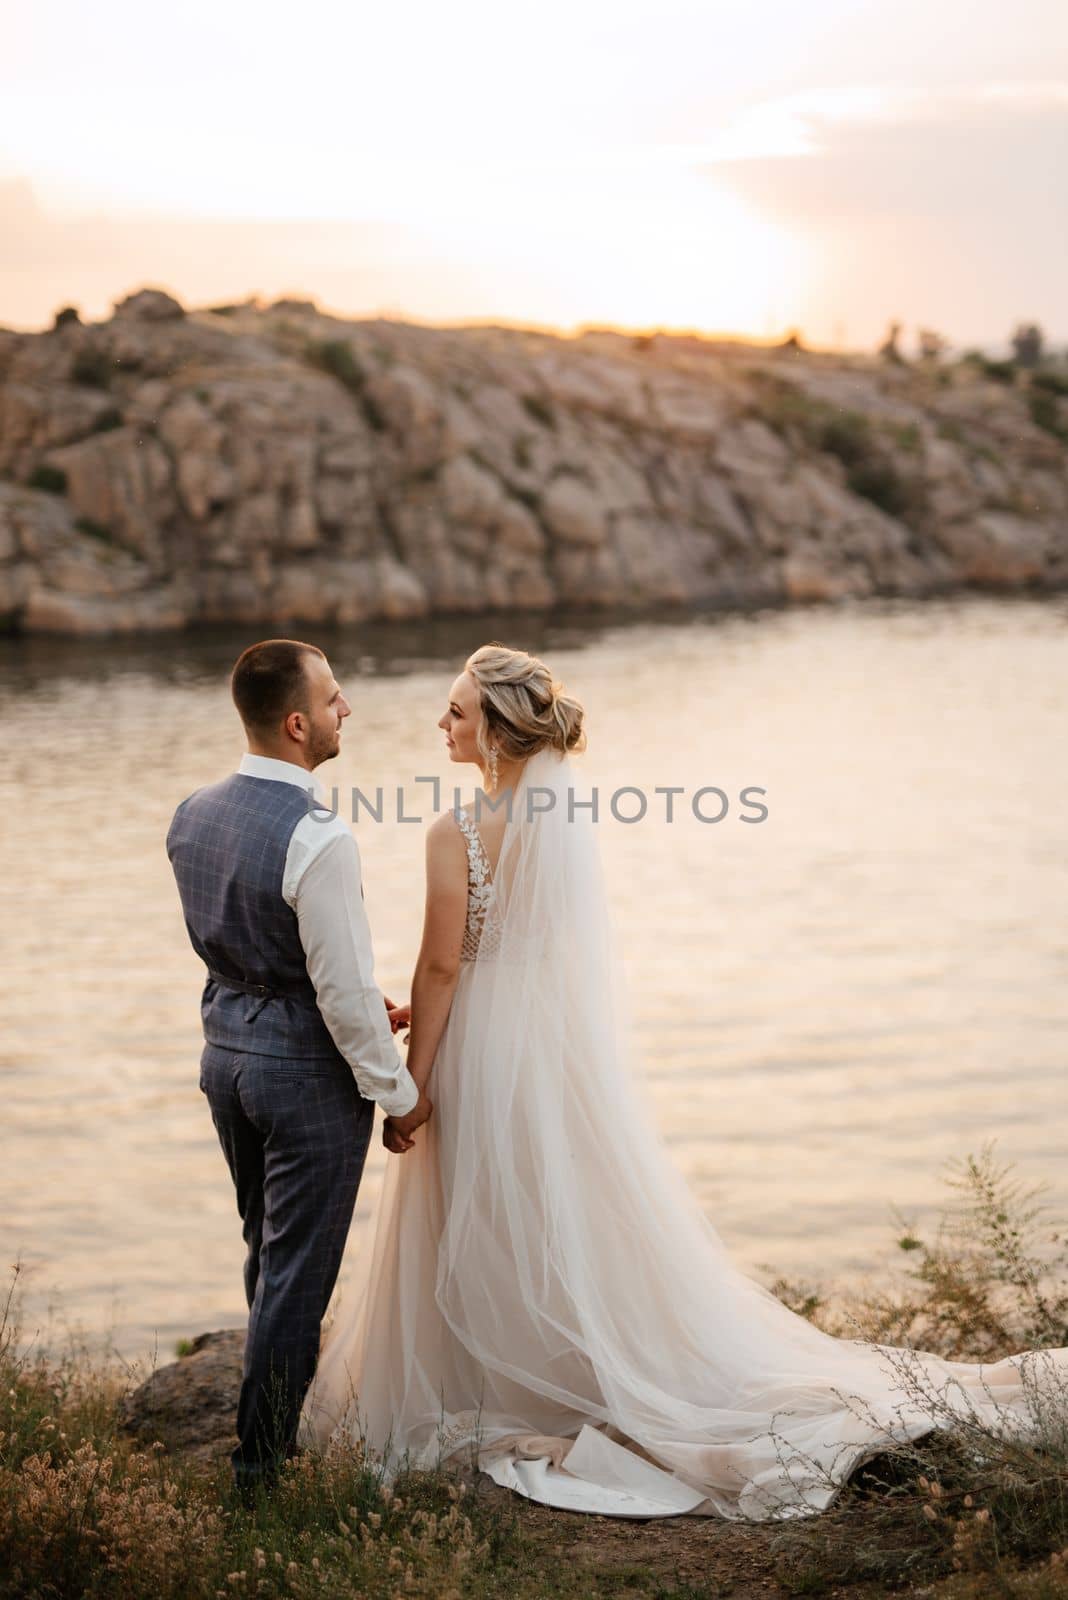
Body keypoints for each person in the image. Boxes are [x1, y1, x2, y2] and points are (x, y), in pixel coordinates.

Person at [300, 640, 1068, 1521]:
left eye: (458, 713)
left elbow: (441, 970)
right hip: (549, 1054)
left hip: (478, 1044)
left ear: (501, 735)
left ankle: (500, 1375)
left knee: (476, 1207)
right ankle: (560, 1371)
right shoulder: (559, 826)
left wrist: (412, 1086)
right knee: (559, 1210)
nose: (442, 723)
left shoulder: (456, 832)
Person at [166, 638, 431, 1497]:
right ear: (295, 723)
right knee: (299, 1274)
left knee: (267, 1250)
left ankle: (264, 1431)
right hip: (303, 1083)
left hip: (226, 1061)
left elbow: (252, 948)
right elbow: (345, 1000)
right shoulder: (320, 837)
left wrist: (338, 998)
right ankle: (261, 1470)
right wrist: (399, 1096)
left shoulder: (191, 812)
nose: (345, 708)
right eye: (332, 698)